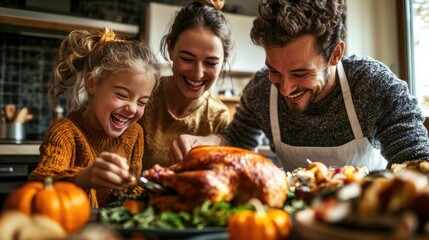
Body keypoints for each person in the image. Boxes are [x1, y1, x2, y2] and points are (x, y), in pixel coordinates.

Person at [169, 0, 429, 171]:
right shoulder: (260, 89)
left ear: (335, 54)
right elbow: (238, 140)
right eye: (274, 71)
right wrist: (206, 142)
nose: (285, 89)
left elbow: (416, 162)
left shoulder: (373, 85)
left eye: (300, 73)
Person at [28, 28, 160, 208]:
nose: (132, 108)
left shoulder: (134, 134)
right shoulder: (65, 133)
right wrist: (83, 177)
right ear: (92, 83)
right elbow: (39, 182)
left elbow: (132, 191)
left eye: (142, 102)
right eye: (122, 95)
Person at [139, 0, 232, 169]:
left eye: (210, 63)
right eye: (187, 59)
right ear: (170, 49)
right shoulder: (143, 94)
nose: (197, 74)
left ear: (223, 62)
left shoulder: (219, 118)